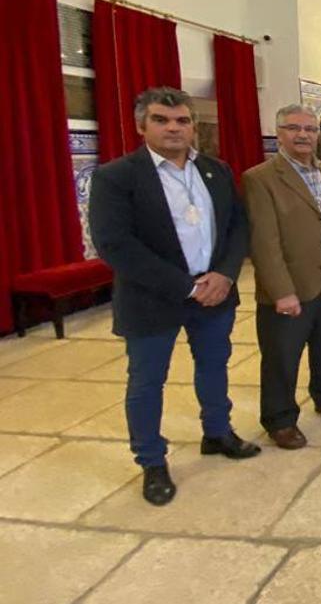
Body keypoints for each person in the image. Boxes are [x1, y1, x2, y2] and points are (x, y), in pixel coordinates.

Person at [89, 87, 259, 506]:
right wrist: (185, 286)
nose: (174, 128)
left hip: (215, 291)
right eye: (162, 120)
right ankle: (151, 460)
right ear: (141, 125)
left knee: (214, 366)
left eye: (182, 120)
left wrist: (224, 274)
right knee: (147, 381)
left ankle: (217, 432)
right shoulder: (117, 176)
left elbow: (237, 226)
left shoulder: (216, 170)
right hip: (152, 297)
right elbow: (116, 245)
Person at [244, 105, 321, 450]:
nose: (303, 135)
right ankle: (280, 419)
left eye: (309, 129)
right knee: (282, 355)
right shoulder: (261, 178)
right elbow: (264, 241)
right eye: (294, 128)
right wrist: (281, 291)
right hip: (291, 283)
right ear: (280, 133)